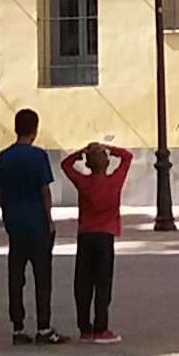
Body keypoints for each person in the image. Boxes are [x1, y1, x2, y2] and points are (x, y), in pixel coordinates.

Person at [0, 108, 60, 342]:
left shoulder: (4, 157)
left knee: (16, 277)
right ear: (35, 129)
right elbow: (44, 191)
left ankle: (18, 328)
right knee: (42, 277)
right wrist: (49, 219)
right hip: (37, 224)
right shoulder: (38, 156)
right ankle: (44, 328)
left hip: (15, 224)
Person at [62, 137, 136, 342]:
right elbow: (127, 157)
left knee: (83, 282)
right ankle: (101, 328)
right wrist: (109, 147)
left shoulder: (84, 183)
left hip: (86, 235)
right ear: (108, 162)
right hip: (105, 235)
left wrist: (83, 151)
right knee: (103, 283)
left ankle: (85, 328)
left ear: (87, 164)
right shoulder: (114, 181)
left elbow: (66, 164)